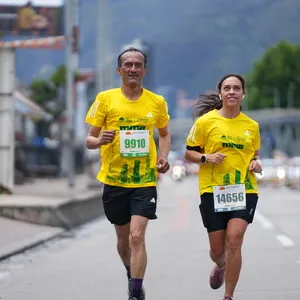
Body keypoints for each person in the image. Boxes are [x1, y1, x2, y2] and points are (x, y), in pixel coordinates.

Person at [85, 47, 171, 300]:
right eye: (128, 65)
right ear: (119, 70)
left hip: (144, 180)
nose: (133, 69)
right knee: (124, 243)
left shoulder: (156, 101)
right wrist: (101, 140)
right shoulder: (105, 99)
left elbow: (164, 134)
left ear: (144, 70)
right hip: (113, 180)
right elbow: (89, 140)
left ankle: (135, 291)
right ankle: (130, 272)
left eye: (138, 65)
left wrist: (163, 156)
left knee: (137, 236)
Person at [185, 74, 262, 300]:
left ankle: (228, 295)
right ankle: (220, 265)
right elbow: (189, 152)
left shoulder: (251, 126)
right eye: (227, 88)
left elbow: (254, 155)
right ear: (220, 93)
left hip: (244, 190)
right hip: (213, 190)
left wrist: (255, 163)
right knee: (218, 251)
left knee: (235, 240)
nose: (231, 92)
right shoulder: (205, 122)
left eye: (236, 88)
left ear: (242, 94)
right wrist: (206, 158)